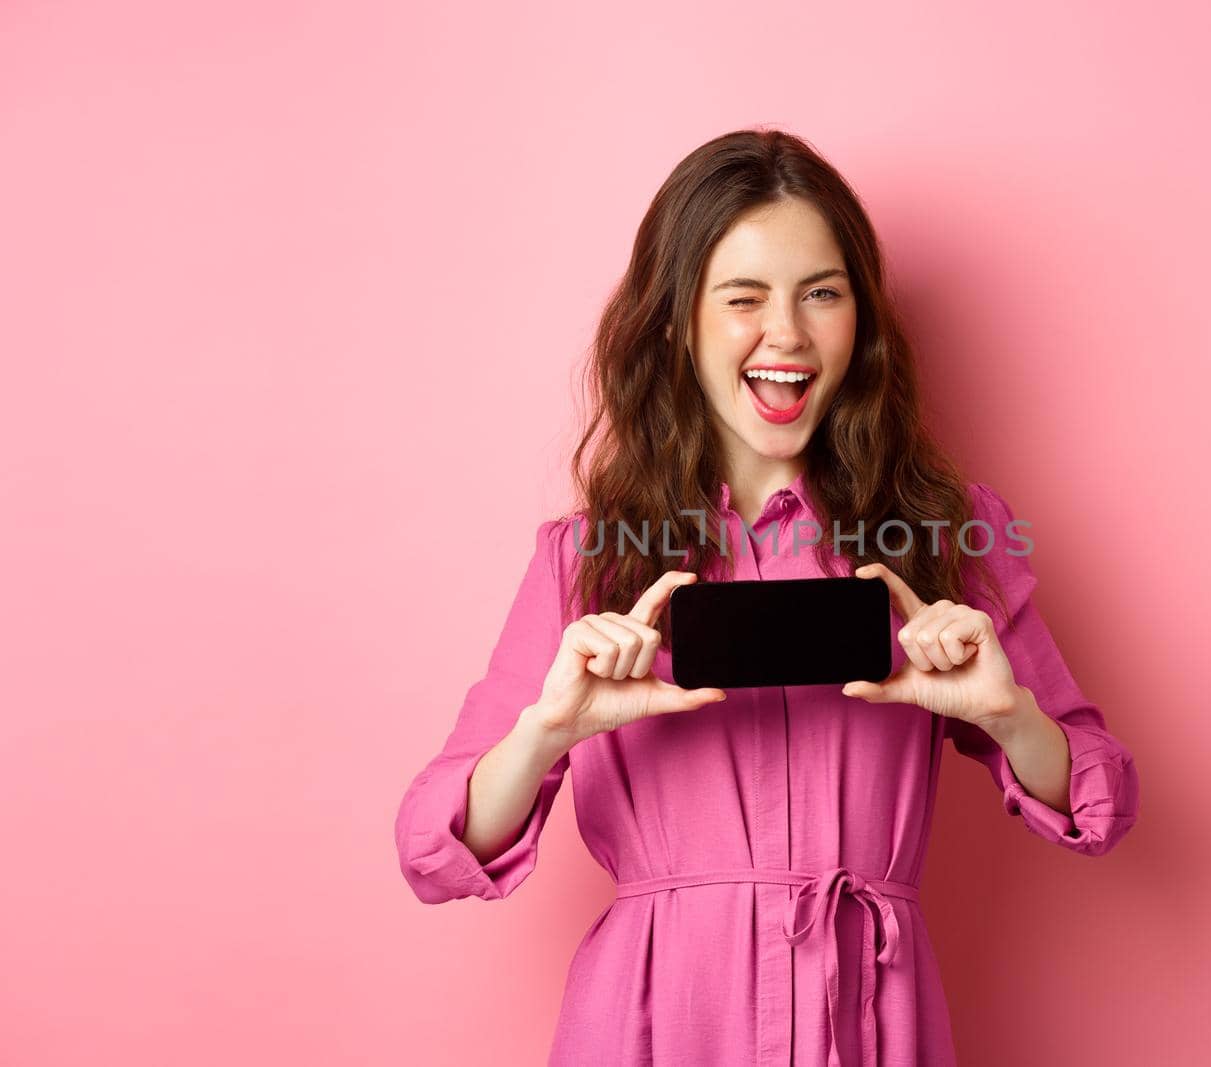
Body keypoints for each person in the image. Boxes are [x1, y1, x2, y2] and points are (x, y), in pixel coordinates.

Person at [393, 127, 1141, 1066]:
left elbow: (1101, 798)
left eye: (822, 294)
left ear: (860, 320)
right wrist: (547, 729)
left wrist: (1011, 713)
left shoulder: (951, 533)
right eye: (743, 298)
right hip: (653, 1024)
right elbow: (435, 842)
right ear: (677, 321)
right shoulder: (588, 559)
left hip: (871, 1018)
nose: (785, 334)